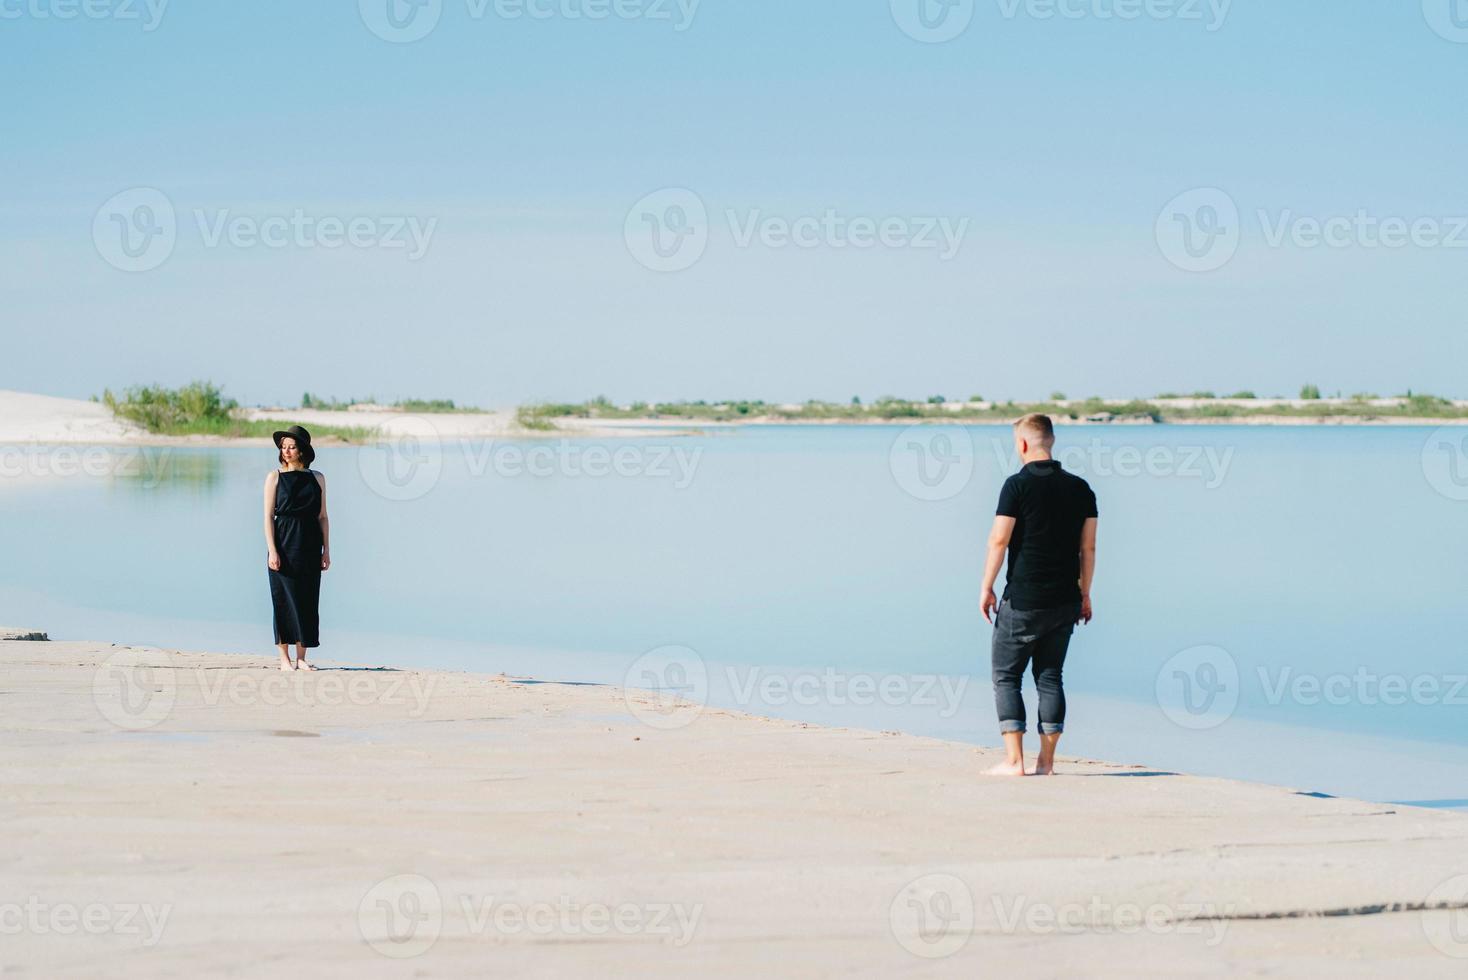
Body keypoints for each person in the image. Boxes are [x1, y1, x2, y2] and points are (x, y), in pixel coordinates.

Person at [979, 413, 1097, 776]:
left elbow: (1000, 538)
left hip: (1024, 601)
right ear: (1052, 441)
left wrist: (987, 585)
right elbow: (1088, 549)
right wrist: (1086, 594)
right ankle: (1046, 763)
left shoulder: (1016, 486)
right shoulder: (1081, 488)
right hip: (1065, 601)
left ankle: (1015, 761)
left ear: (1023, 443)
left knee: (1006, 676)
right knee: (1050, 676)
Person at [263, 425, 330, 670]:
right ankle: (284, 659)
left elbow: (322, 516)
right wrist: (272, 549)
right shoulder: (275, 477)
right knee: (283, 599)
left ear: (302, 450)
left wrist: (327, 550)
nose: (286, 451)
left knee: (308, 599)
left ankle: (302, 659)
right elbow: (268, 516)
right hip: (283, 541)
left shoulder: (317, 478)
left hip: (310, 544)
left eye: (291, 447)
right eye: (283, 447)